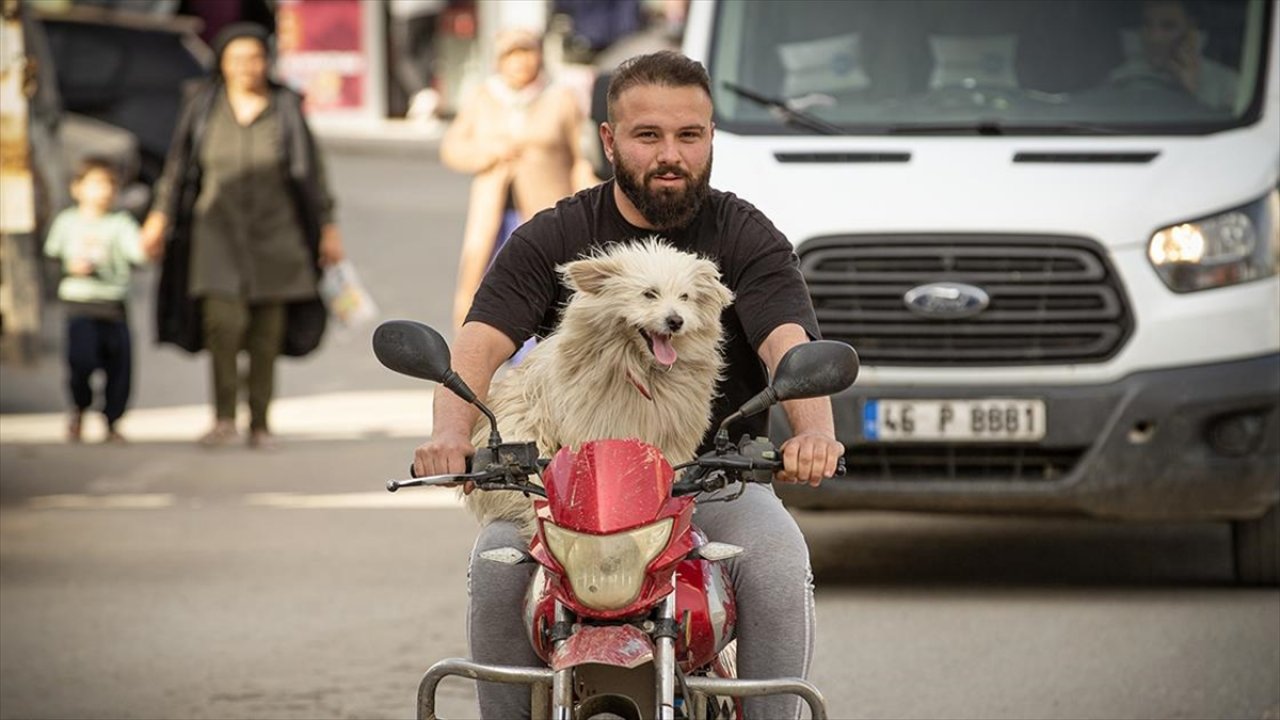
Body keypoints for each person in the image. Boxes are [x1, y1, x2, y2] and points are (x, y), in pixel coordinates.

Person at [414, 51, 844, 720]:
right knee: (497, 563)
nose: (670, 154)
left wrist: (815, 433)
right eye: (648, 136)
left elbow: (787, 340)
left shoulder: (746, 235)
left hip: (705, 478)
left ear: (710, 139)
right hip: (568, 487)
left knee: (777, 559)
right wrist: (449, 435)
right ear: (610, 141)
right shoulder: (557, 234)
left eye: (688, 135)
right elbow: (480, 343)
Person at [140, 22, 344, 450]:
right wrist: (159, 216)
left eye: (254, 58)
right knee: (223, 324)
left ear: (266, 62)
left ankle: (260, 422)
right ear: (222, 64)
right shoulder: (203, 103)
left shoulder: (285, 105)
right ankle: (223, 417)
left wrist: (327, 226)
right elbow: (177, 167)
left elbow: (313, 172)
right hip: (215, 231)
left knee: (266, 335)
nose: (246, 67)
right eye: (236, 59)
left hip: (277, 234)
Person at [441, 27, 598, 330]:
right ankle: (475, 357)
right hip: (492, 215)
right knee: (487, 286)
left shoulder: (560, 98)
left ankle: (534, 360)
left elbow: (581, 157)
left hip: (544, 210)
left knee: (543, 285)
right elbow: (452, 148)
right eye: (512, 55)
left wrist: (589, 203)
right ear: (499, 61)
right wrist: (488, 152)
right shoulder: (483, 97)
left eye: (526, 53)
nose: (520, 62)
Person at [43, 158, 148, 443]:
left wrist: (151, 240)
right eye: (97, 183)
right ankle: (79, 407)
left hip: (114, 306)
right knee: (81, 361)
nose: (104, 191)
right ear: (78, 188)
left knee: (120, 370)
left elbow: (139, 253)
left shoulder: (121, 224)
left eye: (111, 184)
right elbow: (51, 258)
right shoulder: (67, 222)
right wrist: (69, 267)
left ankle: (112, 421)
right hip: (79, 305)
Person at [1111, 0, 1239, 110]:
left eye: (1168, 26)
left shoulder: (1227, 84)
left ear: (1191, 31)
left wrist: (1192, 90)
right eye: (1147, 24)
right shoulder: (1121, 79)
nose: (1154, 37)